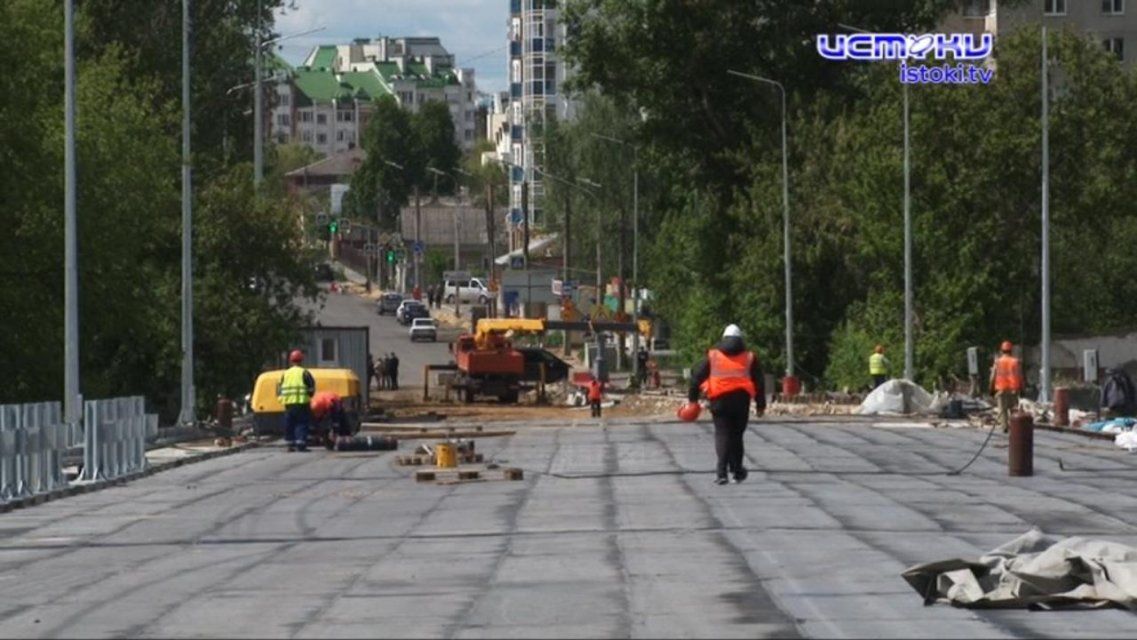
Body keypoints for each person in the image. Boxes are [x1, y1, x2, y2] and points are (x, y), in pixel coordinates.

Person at [688, 324, 765, 485]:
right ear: (741, 340)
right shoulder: (750, 357)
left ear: (723, 339)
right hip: (741, 401)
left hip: (719, 400)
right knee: (737, 436)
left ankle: (721, 473)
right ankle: (737, 471)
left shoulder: (713, 356)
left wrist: (692, 400)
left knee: (722, 434)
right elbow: (759, 382)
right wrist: (760, 405)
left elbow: (696, 377)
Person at [277, 349, 315, 452]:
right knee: (301, 423)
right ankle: (301, 444)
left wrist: (282, 400)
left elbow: (279, 389)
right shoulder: (305, 373)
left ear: (291, 360)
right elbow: (311, 388)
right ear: (301, 360)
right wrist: (309, 396)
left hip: (289, 403)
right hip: (302, 403)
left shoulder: (285, 374)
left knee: (289, 423)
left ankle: (290, 444)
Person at [989, 340, 1023, 433]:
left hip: (1001, 390)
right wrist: (1022, 388)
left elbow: (992, 377)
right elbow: (1020, 376)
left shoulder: (998, 362)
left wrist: (991, 389)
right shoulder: (1015, 362)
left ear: (1001, 351)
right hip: (1013, 390)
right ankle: (1015, 427)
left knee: (1002, 411)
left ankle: (1004, 427)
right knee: (1014, 410)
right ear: (1011, 351)